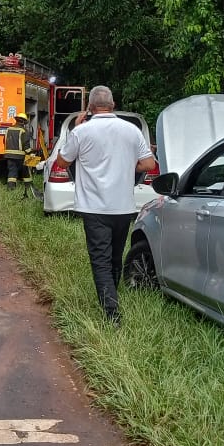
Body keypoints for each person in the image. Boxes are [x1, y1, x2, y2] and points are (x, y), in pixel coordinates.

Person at [50, 86, 156, 325]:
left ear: (89, 107)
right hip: (123, 207)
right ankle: (112, 298)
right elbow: (149, 163)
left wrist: (76, 128)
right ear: (113, 104)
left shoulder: (82, 132)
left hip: (94, 208)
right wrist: (130, 166)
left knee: (100, 259)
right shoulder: (132, 130)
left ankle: (112, 313)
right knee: (115, 257)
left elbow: (62, 160)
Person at [2, 113, 29, 190]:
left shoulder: (8, 129)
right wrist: (30, 153)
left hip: (9, 155)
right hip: (20, 156)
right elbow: (26, 145)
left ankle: (11, 188)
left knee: (12, 171)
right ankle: (28, 186)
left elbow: (4, 141)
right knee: (25, 171)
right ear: (23, 122)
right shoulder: (23, 131)